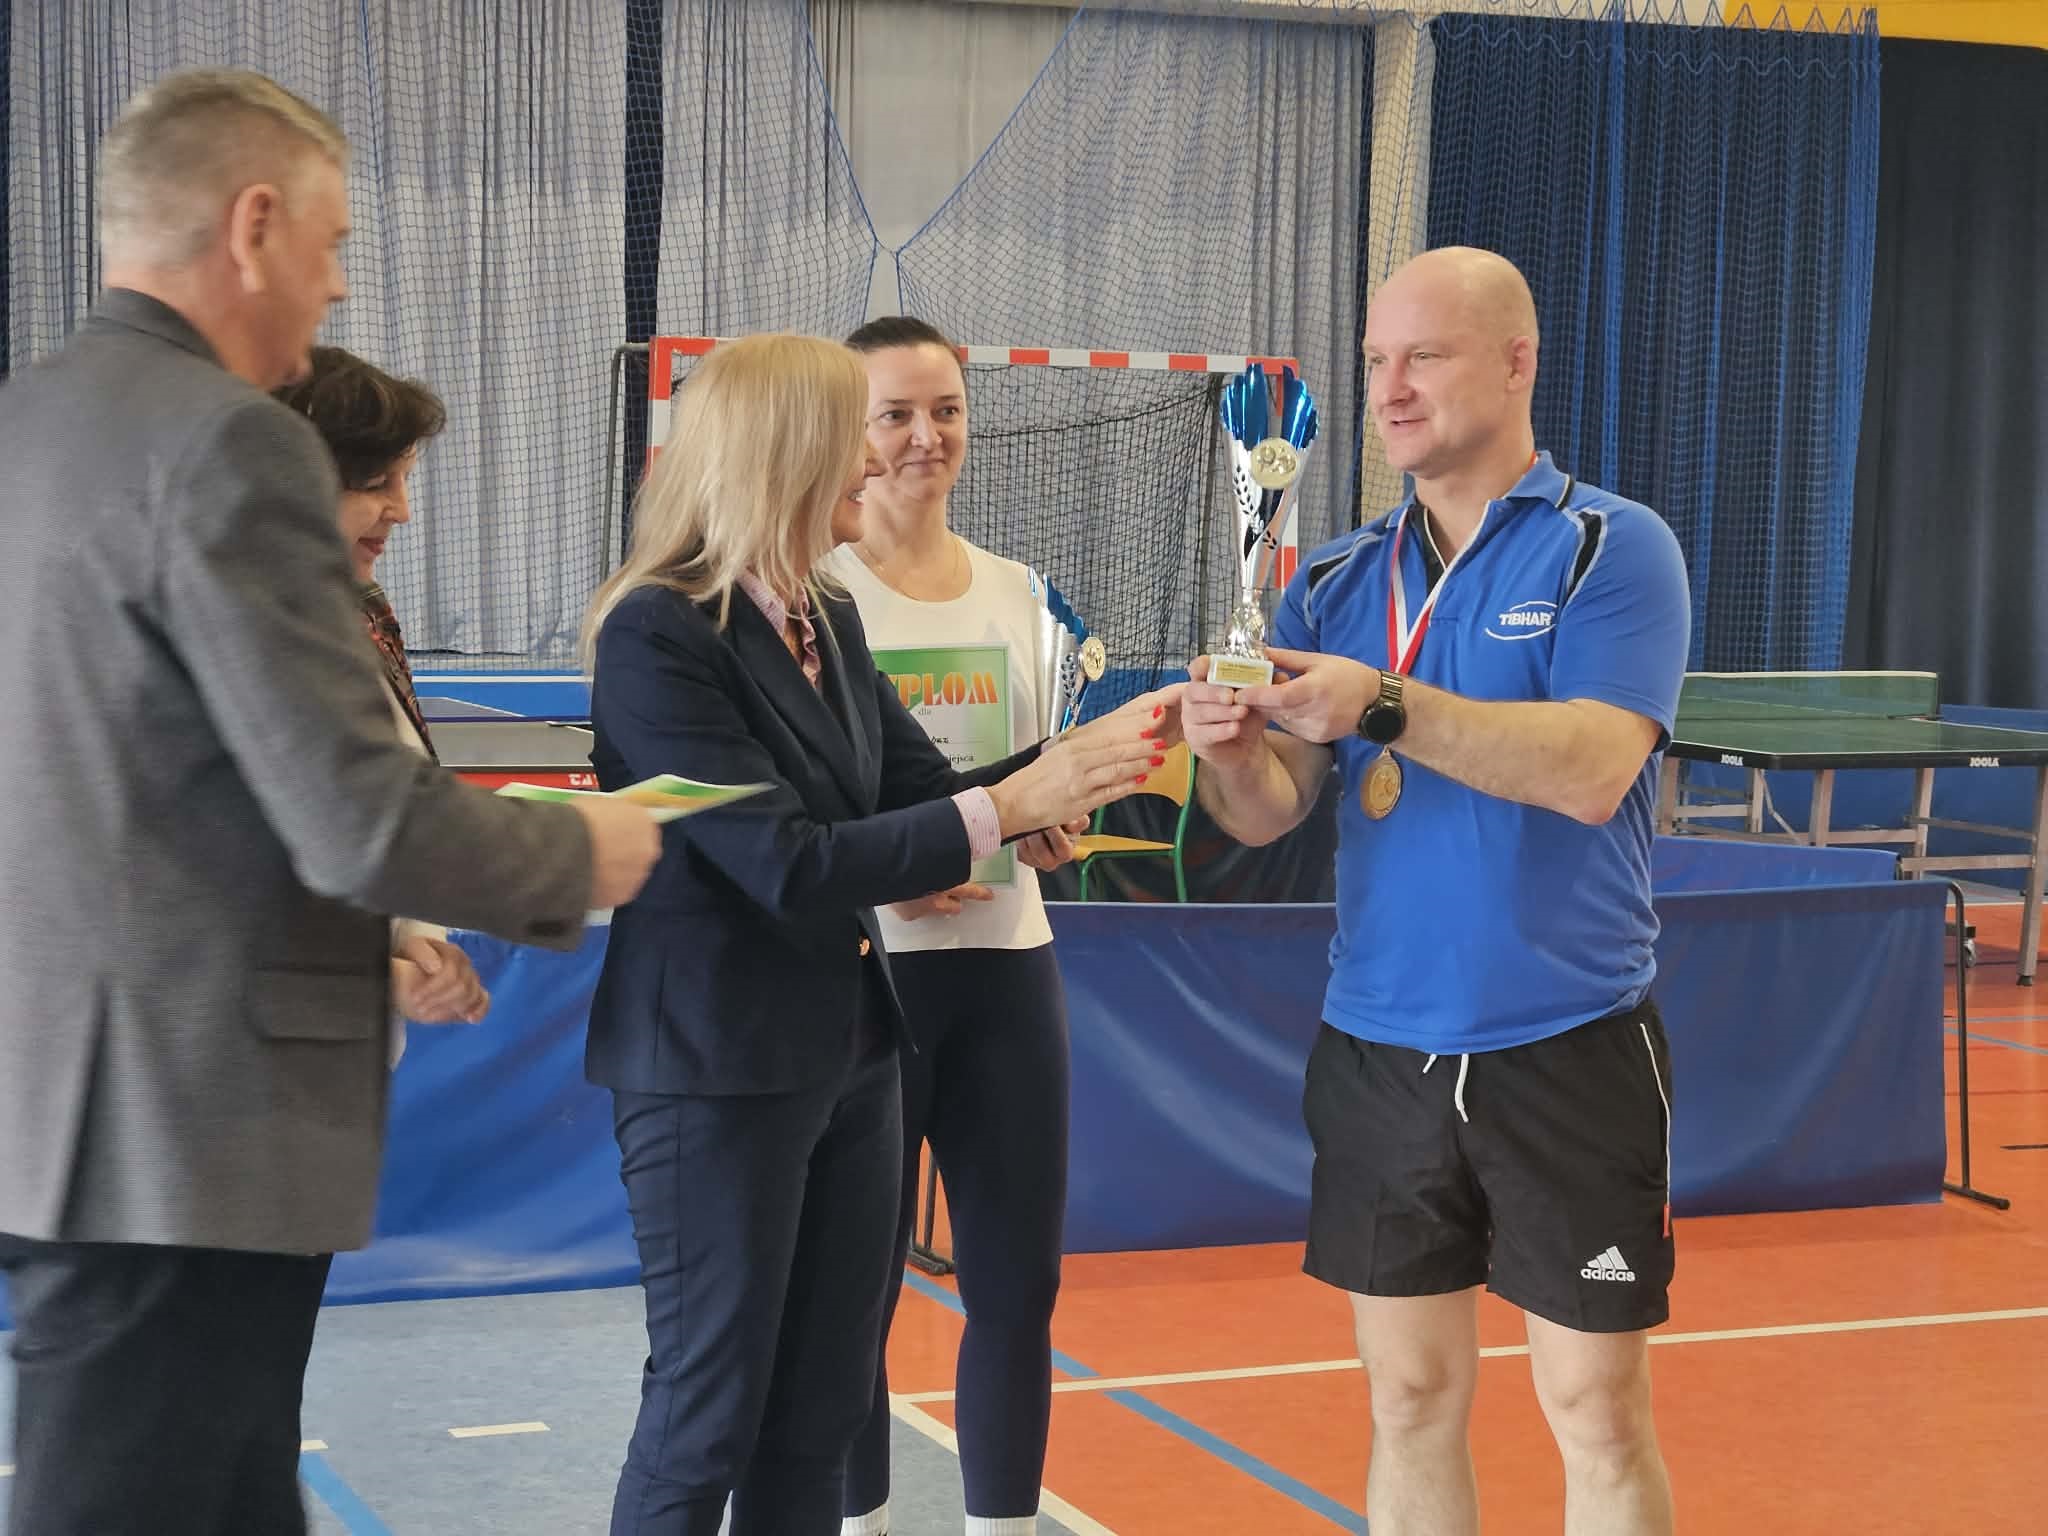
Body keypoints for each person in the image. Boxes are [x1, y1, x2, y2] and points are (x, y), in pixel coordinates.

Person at [0, 69, 660, 1536]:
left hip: (70, 1098)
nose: (337, 281)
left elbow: (144, 783)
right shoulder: (232, 444)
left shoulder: (33, 420)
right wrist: (586, 846)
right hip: (186, 1122)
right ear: (253, 225)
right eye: (332, 240)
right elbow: (361, 815)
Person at [582, 331, 1174, 1536]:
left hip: (851, 1058)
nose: (876, 457)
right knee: (707, 1416)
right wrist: (1015, 802)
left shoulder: (824, 618)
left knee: (816, 1415)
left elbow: (919, 796)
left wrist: (1086, 762)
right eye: (853, 432)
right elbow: (784, 861)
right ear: (784, 452)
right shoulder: (656, 634)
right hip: (716, 1070)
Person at [1181, 246, 1690, 1536]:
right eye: (1372, 362)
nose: (1388, 389)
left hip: (1566, 1044)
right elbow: (1270, 811)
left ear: (1516, 363)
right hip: (1377, 1048)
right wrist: (1226, 754)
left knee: (1595, 1411)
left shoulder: (1610, 547)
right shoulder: (1334, 578)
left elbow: (1590, 770)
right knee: (1406, 1400)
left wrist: (1382, 704)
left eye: (1422, 356)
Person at [825, 316, 1079, 1536]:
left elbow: (1027, 779)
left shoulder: (1021, 594)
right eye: (895, 414)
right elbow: (804, 815)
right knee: (851, 1299)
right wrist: (887, 879)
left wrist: (1053, 820)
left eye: (946, 411)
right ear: (848, 431)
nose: (924, 437)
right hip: (869, 980)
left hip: (1006, 975)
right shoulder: (814, 595)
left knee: (1017, 1291)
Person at [278, 345, 488, 1055]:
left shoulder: (362, 610)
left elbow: (387, 808)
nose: (401, 510)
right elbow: (215, 896)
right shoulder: (236, 641)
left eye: (405, 479)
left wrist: (414, 936)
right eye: (376, 484)